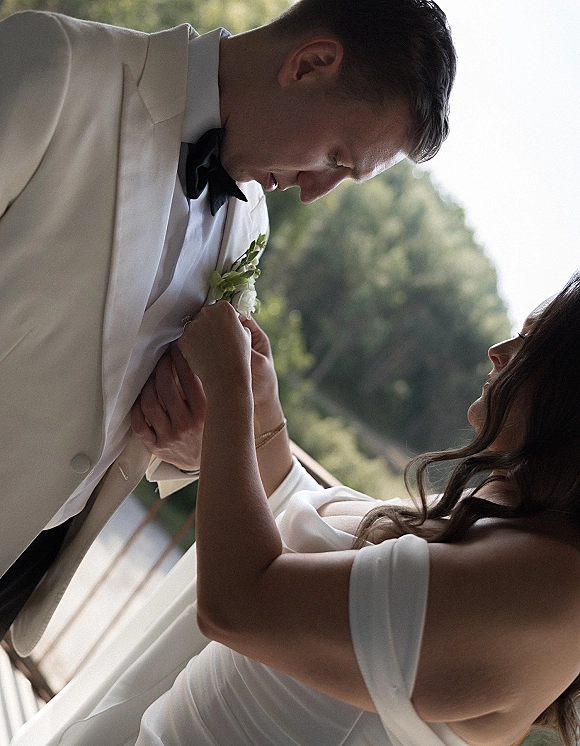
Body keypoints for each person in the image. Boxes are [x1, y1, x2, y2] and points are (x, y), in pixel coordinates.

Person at [0, 0, 456, 653]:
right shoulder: (59, 67)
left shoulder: (251, 227)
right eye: (335, 156)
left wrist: (189, 447)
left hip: (24, 571)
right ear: (309, 64)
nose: (314, 191)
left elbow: (134, 423)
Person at [131, 272, 580, 746]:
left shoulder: (544, 587)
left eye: (530, 341)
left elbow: (236, 605)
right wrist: (263, 412)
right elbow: (343, 574)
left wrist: (228, 388)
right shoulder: (516, 517)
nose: (499, 349)